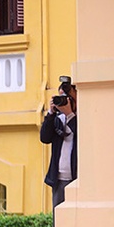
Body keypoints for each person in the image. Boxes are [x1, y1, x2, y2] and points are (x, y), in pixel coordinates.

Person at [40, 77, 77, 209]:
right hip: (58, 178)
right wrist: (50, 113)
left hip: (77, 178)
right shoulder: (57, 119)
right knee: (59, 219)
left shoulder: (82, 117)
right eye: (61, 97)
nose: (64, 100)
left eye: (67, 97)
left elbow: (81, 136)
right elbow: (44, 138)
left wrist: (71, 115)